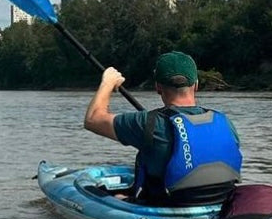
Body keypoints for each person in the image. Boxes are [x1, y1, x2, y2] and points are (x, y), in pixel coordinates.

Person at [83, 51, 242, 205]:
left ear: (158, 87)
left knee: (117, 196)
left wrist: (107, 83)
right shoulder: (225, 122)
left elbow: (92, 119)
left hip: (170, 205)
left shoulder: (147, 123)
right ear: (196, 85)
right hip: (221, 203)